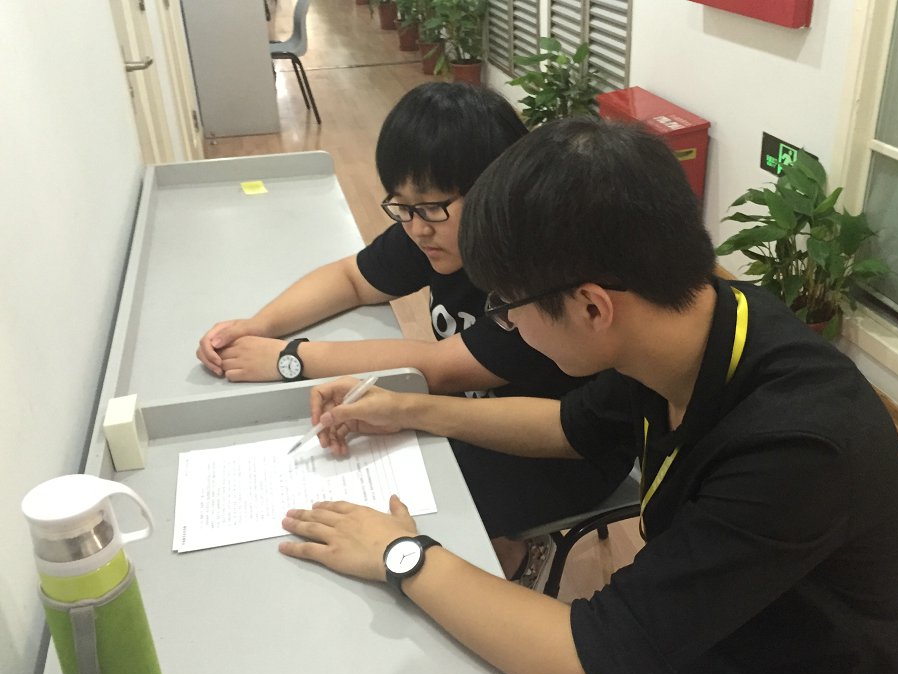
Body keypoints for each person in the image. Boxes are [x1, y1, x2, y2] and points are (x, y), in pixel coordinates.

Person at [279, 117, 898, 674]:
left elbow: (586, 669)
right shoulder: (693, 326)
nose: (507, 325)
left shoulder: (796, 449)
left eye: (506, 308)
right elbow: (568, 424)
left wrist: (403, 555)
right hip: (711, 632)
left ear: (591, 306)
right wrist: (407, 409)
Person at [196, 82, 633, 579]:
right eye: (401, 206)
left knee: (394, 515)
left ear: (495, 191)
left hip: (561, 451)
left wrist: (290, 357)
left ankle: (517, 553)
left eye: (429, 207)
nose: (416, 227)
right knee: (365, 472)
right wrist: (259, 325)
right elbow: (352, 278)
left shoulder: (532, 277)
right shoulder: (433, 229)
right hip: (476, 416)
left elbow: (440, 369)